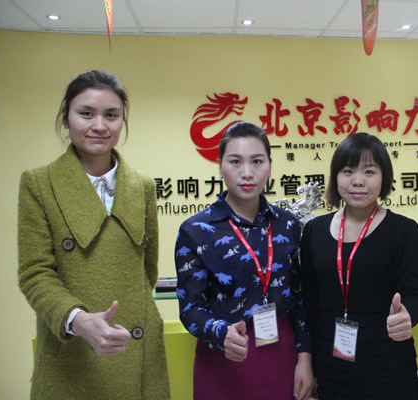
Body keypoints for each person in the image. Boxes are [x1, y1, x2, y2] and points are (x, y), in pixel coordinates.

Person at [17, 70, 170, 399]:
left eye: (111, 115)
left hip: (136, 347)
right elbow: (34, 273)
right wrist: (77, 319)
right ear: (66, 117)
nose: (99, 126)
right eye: (86, 113)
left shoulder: (142, 186)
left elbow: (146, 271)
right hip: (72, 352)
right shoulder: (38, 184)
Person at [174, 121, 314, 400]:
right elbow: (190, 308)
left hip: (281, 355)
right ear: (220, 165)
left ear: (270, 166)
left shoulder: (287, 224)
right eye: (235, 161)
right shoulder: (196, 230)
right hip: (224, 358)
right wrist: (220, 332)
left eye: (257, 161)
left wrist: (305, 358)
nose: (247, 172)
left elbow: (300, 299)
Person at [300, 132, 418, 400]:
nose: (358, 180)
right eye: (348, 171)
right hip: (331, 365)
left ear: (384, 177)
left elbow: (414, 295)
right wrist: (309, 362)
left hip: (388, 364)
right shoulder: (314, 231)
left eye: (369, 171)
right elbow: (309, 303)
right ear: (335, 176)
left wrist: (408, 316)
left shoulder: (404, 231)